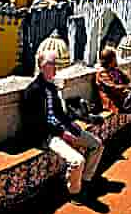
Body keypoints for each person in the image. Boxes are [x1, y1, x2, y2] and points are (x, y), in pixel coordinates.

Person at [23, 51, 104, 201]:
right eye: (52, 64)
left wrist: (72, 127)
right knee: (77, 161)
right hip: (47, 135)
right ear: (42, 66)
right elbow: (38, 123)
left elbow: (60, 114)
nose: (56, 69)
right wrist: (62, 133)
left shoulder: (52, 88)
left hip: (61, 129)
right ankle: (75, 192)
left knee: (96, 145)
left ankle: (85, 181)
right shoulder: (32, 91)